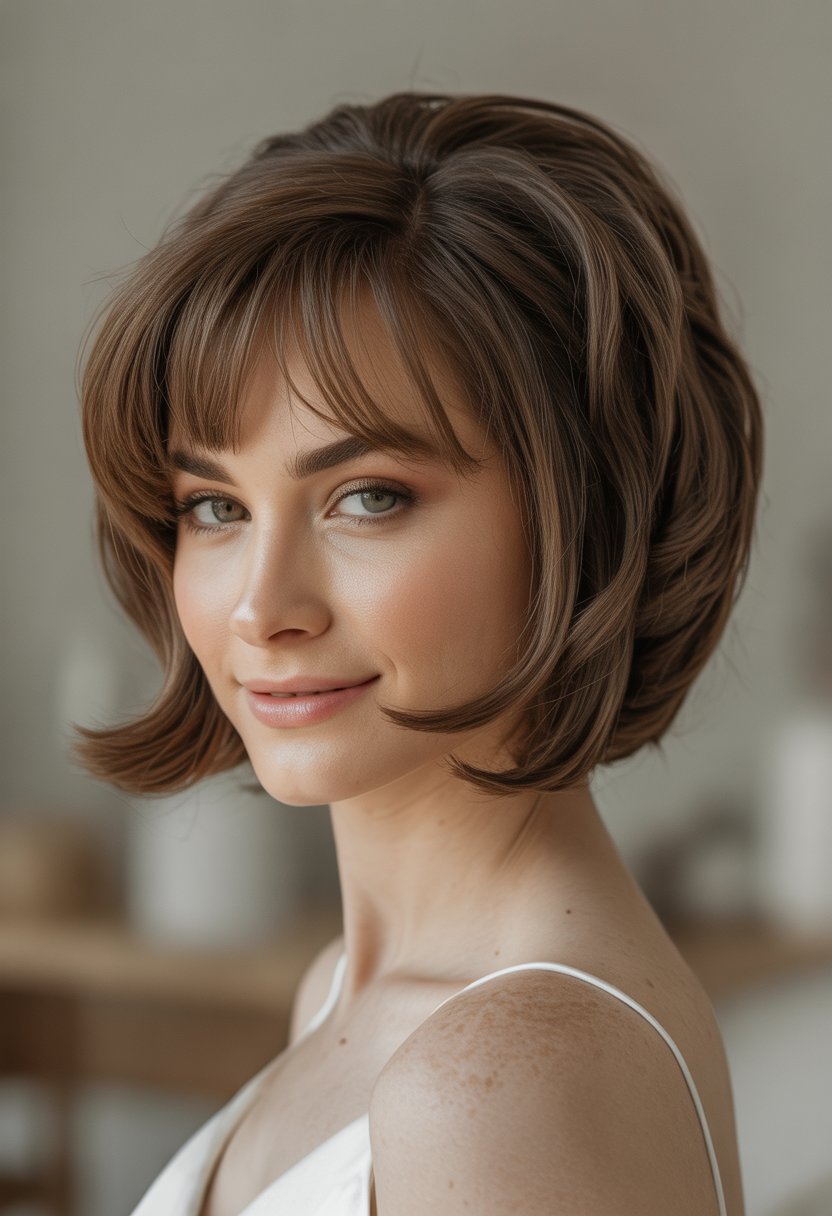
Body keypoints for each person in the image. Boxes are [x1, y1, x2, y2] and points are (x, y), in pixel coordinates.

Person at [72, 91, 761, 1216]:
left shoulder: (499, 1086)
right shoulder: (350, 991)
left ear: (577, 515)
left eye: (368, 496)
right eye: (215, 506)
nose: (261, 606)